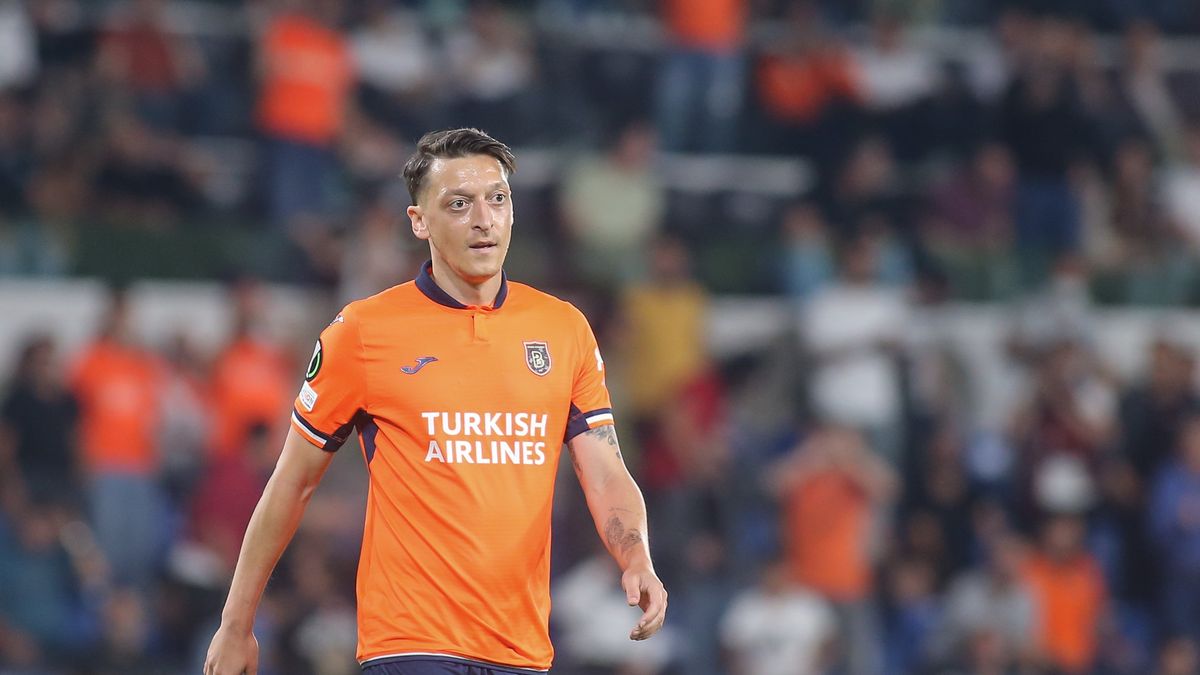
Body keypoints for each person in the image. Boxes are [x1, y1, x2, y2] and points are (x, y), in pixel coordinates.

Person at [204, 128, 667, 675]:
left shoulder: (564, 330)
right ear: (419, 221)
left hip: (521, 650)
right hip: (411, 644)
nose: (484, 219)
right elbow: (292, 483)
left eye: (497, 198)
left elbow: (606, 472)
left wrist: (636, 555)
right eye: (459, 204)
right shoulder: (364, 332)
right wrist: (236, 624)